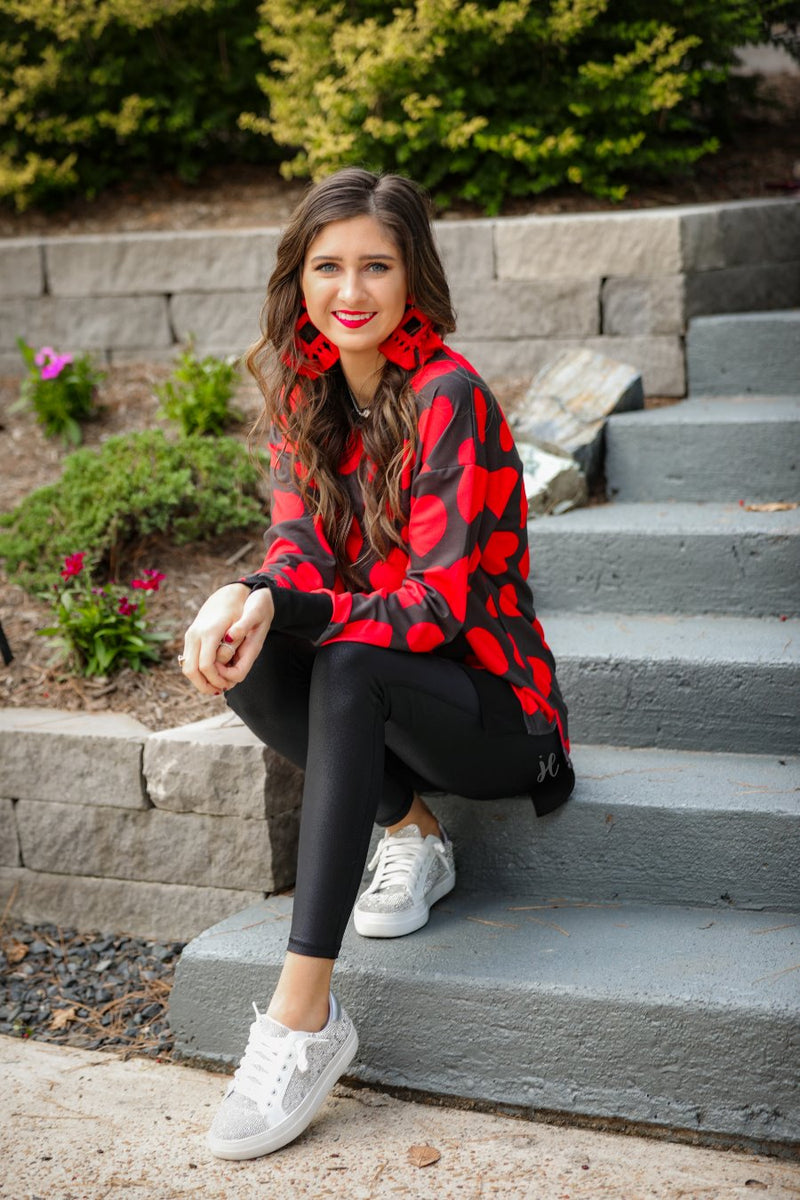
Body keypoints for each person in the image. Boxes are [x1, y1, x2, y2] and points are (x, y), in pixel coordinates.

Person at [179, 167, 574, 1162]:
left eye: (374, 266)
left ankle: (302, 1020)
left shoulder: (451, 398)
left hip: (501, 723)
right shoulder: (307, 396)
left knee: (346, 658)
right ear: (299, 281)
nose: (348, 290)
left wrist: (285, 599)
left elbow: (435, 610)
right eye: (327, 267)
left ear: (411, 280)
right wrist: (244, 596)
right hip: (395, 699)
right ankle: (410, 828)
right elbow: (294, 555)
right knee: (254, 649)